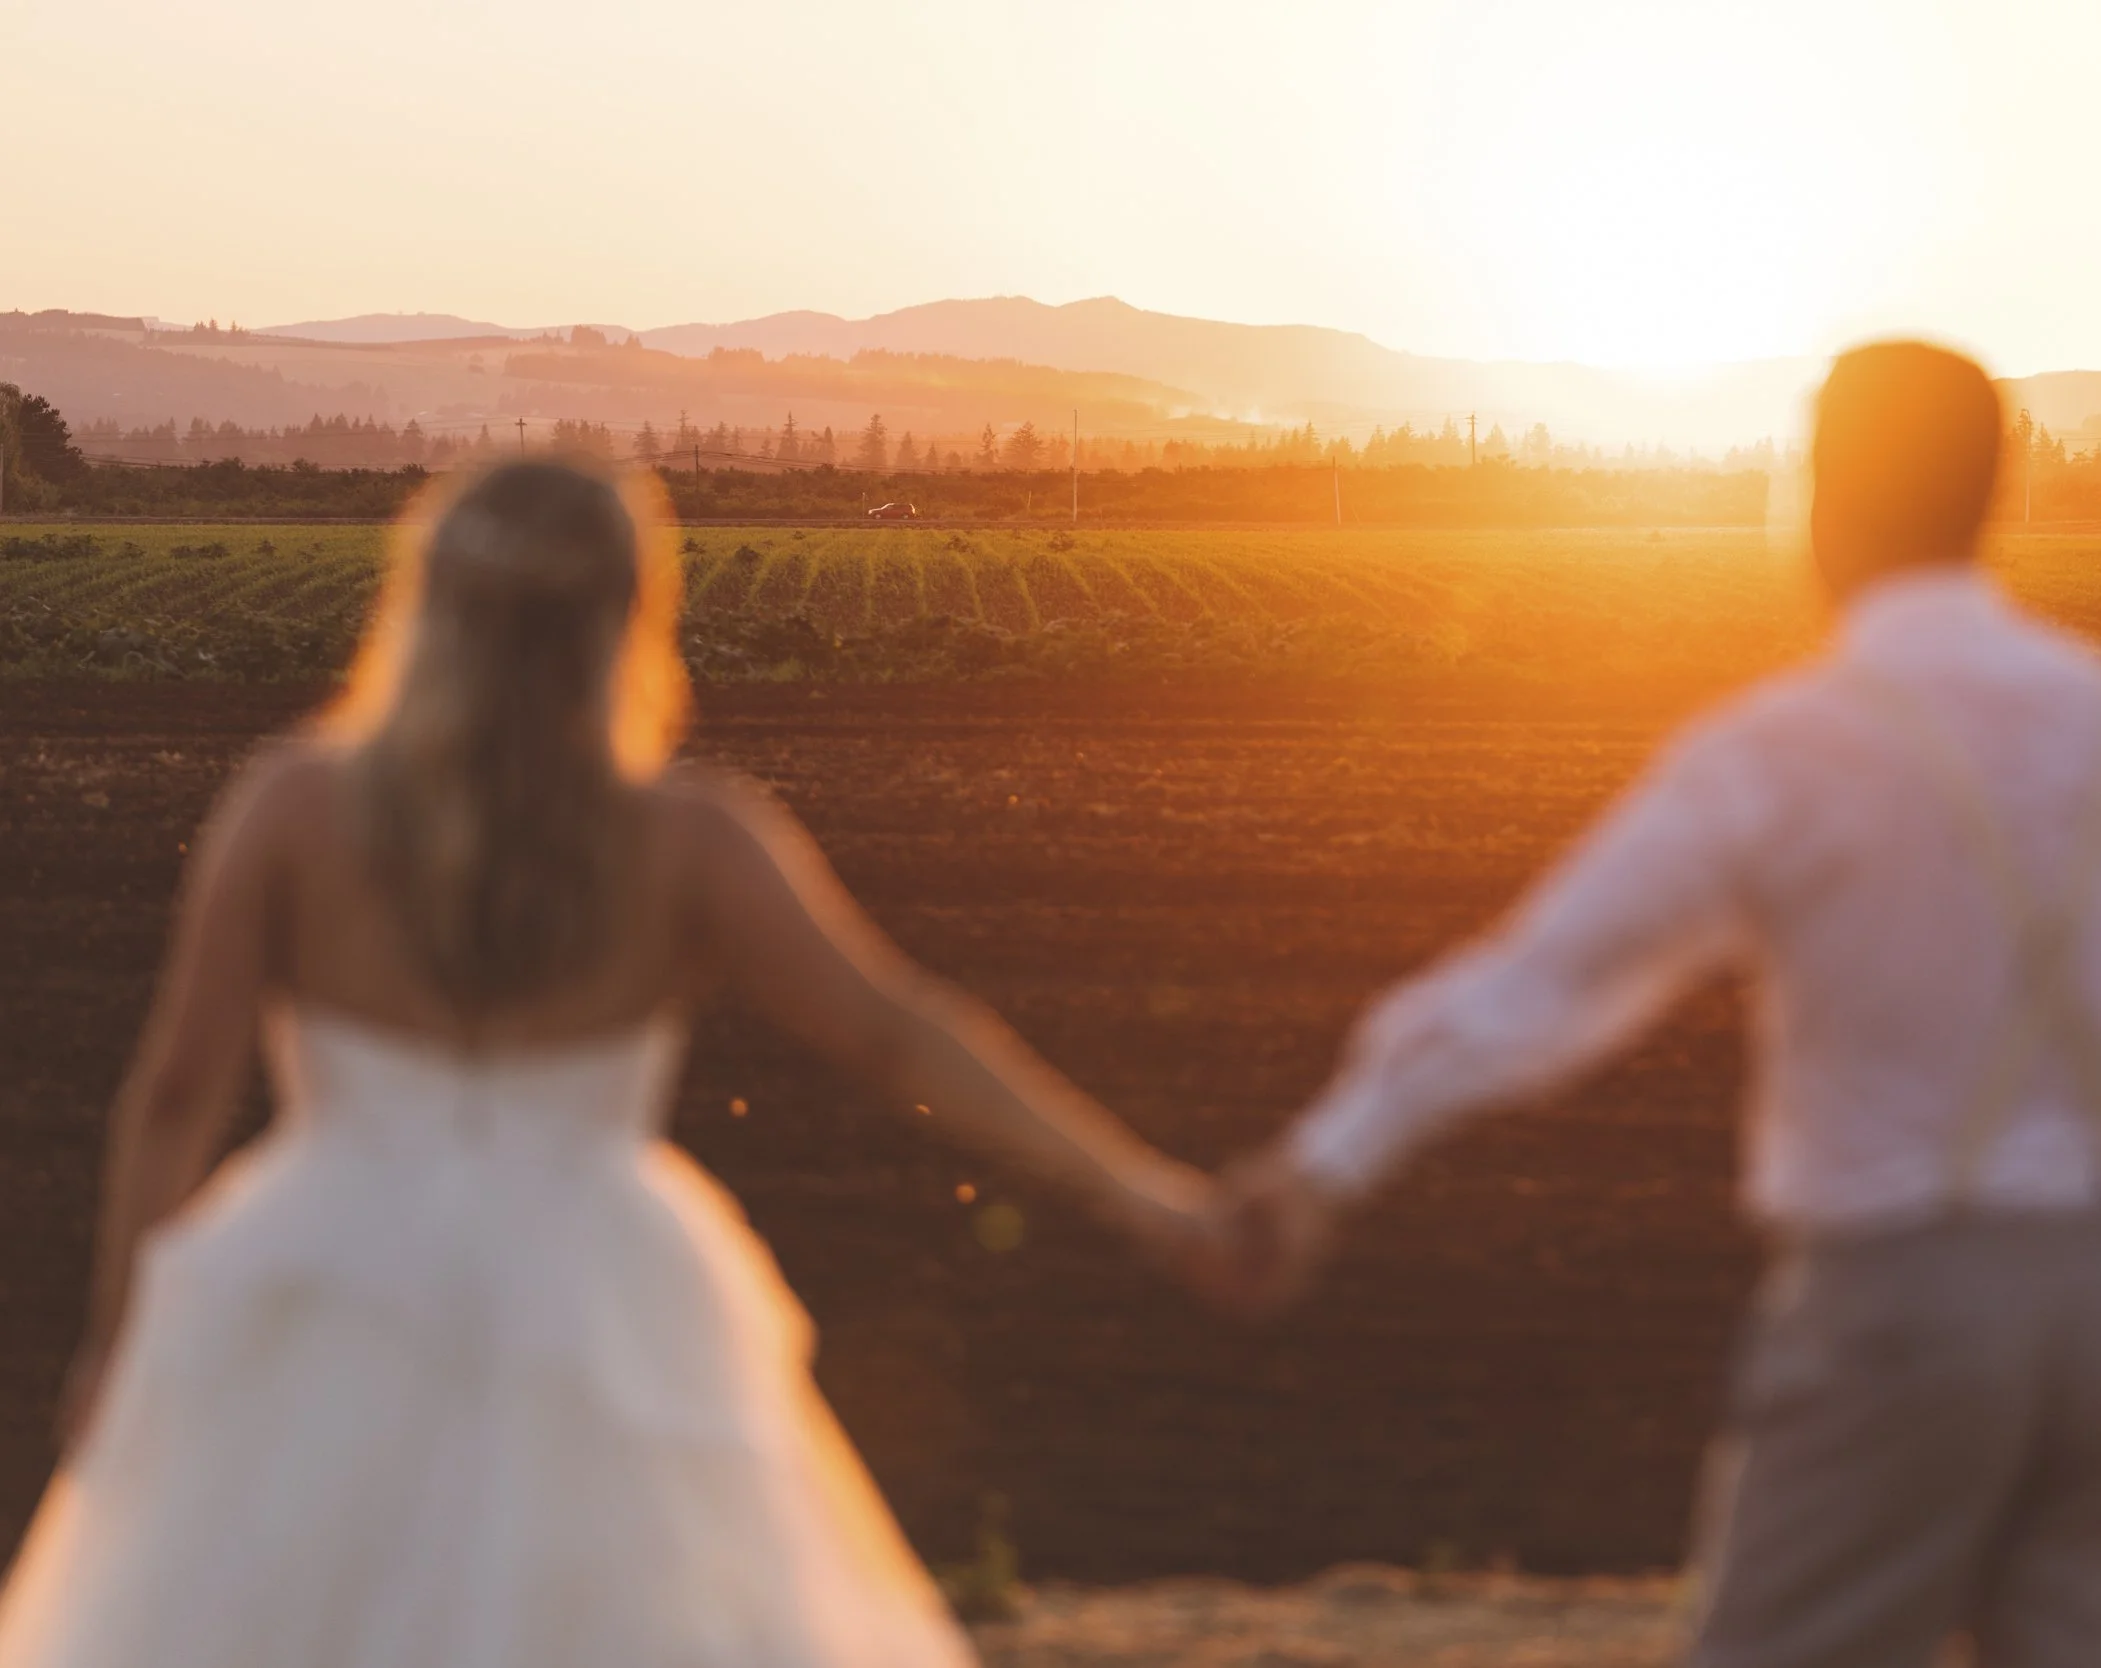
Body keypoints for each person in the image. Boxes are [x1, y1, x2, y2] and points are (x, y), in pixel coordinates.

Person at [1216, 341, 2101, 1667]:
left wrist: (1324, 1165)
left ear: (1821, 499)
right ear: (1998, 496)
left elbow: (1549, 982)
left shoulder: (1788, 748)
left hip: (1901, 1297)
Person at [0, 459, 1217, 1668]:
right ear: (629, 614)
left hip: (320, 1269)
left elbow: (176, 1089)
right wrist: (1144, 1194)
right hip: (600, 1297)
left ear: (426, 602)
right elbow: (896, 1028)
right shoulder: (690, 840)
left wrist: (120, 1339)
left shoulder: (297, 810)